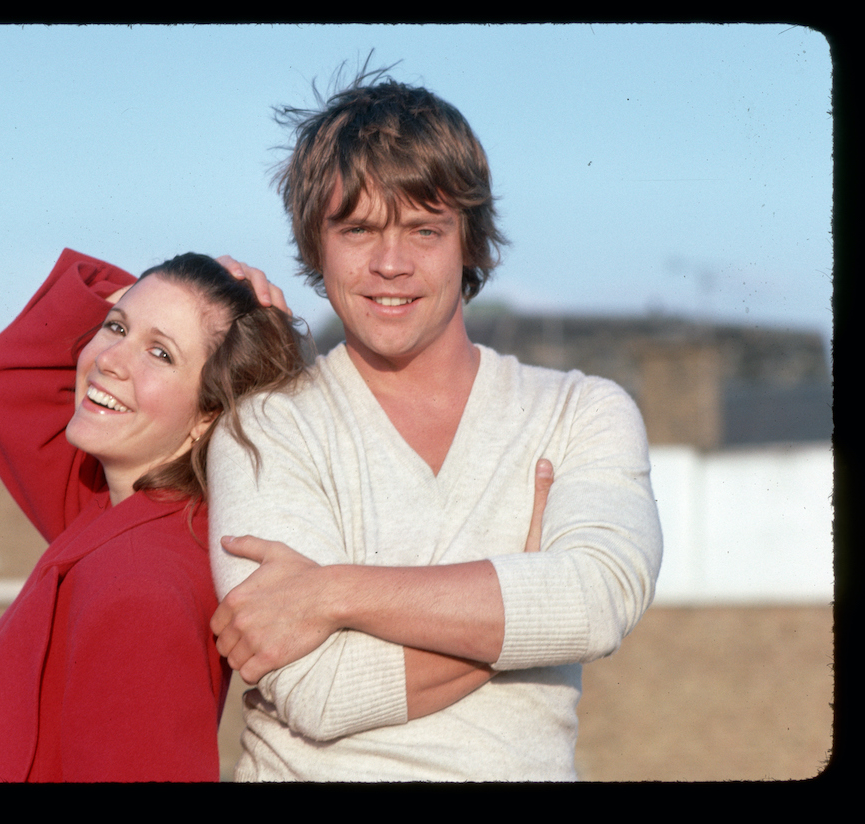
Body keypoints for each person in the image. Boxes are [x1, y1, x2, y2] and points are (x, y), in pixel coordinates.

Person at [207, 69, 662, 780]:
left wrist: (333, 591)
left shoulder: (583, 411)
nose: (391, 264)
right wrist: (525, 601)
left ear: (470, 242)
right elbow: (318, 692)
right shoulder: (265, 427)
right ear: (315, 247)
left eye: (424, 229)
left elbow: (597, 603)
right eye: (357, 230)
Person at [0, 249, 305, 782]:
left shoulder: (143, 585)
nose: (110, 360)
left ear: (209, 414)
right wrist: (177, 294)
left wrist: (240, 335)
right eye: (115, 328)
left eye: (160, 355)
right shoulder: (114, 508)